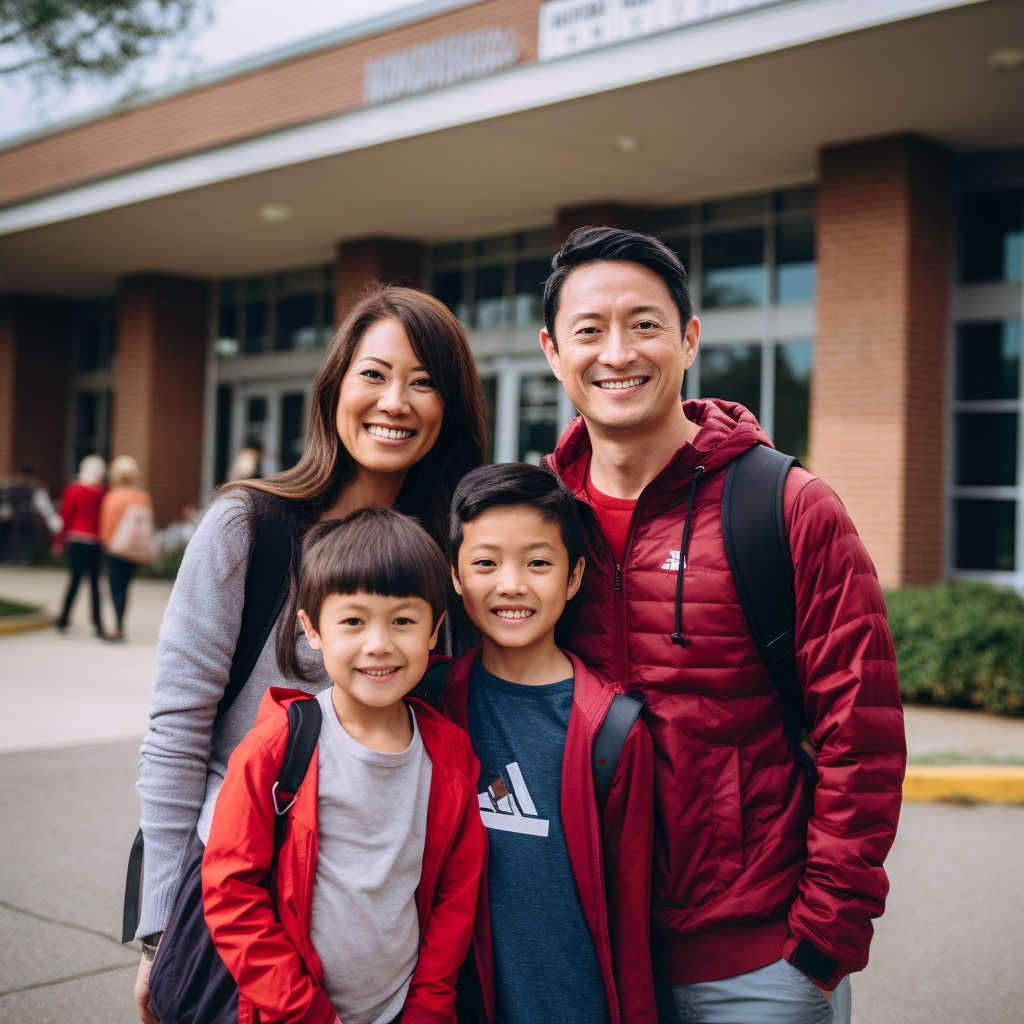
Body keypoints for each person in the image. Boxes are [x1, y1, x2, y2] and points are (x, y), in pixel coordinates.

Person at [538, 227, 905, 1024]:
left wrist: (821, 946)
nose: (617, 352)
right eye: (589, 330)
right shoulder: (536, 523)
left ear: (690, 339)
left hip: (759, 966)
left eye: (645, 324)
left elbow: (862, 737)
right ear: (552, 351)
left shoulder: (787, 506)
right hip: (589, 959)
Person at [133, 286, 487, 1024]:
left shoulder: (452, 556)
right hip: (245, 913)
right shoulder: (249, 528)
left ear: (449, 407)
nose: (396, 401)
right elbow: (176, 730)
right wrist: (160, 929)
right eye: (375, 374)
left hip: (386, 926)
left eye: (424, 383)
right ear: (335, 387)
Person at [202, 508, 485, 1024]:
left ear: (433, 630)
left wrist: (427, 1007)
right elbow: (231, 891)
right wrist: (306, 1013)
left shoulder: (449, 755)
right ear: (312, 629)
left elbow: (455, 897)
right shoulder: (275, 749)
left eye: (403, 620)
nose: (378, 644)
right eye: (353, 621)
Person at [438, 462, 657, 1024]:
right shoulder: (430, 703)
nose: (511, 584)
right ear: (456, 576)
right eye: (486, 563)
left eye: (537, 563)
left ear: (575, 576)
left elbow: (631, 929)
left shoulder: (612, 730)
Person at [100, 455, 155, 642]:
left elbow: (106, 526)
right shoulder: (143, 496)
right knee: (126, 587)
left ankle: (118, 628)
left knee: (115, 588)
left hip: (116, 549)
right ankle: (121, 626)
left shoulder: (112, 496)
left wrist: (107, 543)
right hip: (135, 549)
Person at [54, 453, 108, 637]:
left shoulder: (73, 490)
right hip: (95, 542)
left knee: (74, 582)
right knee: (94, 584)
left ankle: (63, 621)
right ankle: (98, 625)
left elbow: (65, 517)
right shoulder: (102, 492)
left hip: (76, 540)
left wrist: (59, 541)